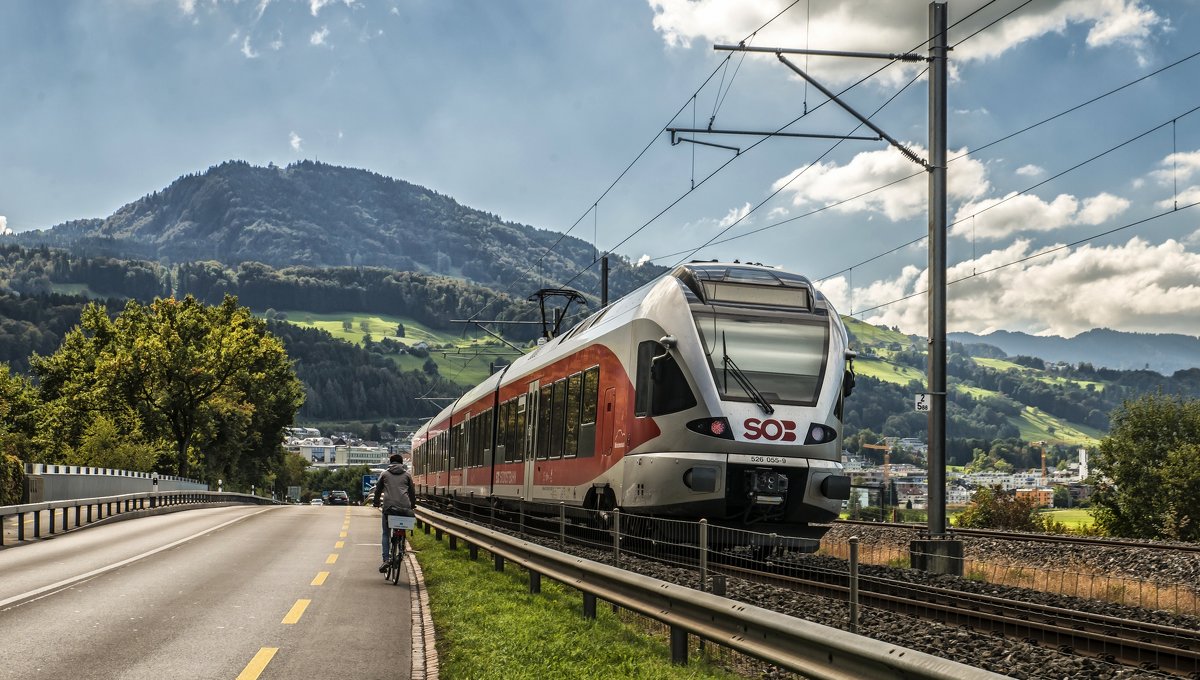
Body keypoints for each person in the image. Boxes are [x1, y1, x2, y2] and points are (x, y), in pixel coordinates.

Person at [372, 453, 417, 573]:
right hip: (404, 507)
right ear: (402, 463)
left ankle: (386, 559)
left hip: (389, 508)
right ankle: (401, 550)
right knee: (402, 527)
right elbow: (412, 493)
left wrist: (376, 502)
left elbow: (377, 490)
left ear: (390, 462)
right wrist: (412, 505)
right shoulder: (407, 475)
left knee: (386, 533)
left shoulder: (384, 474)